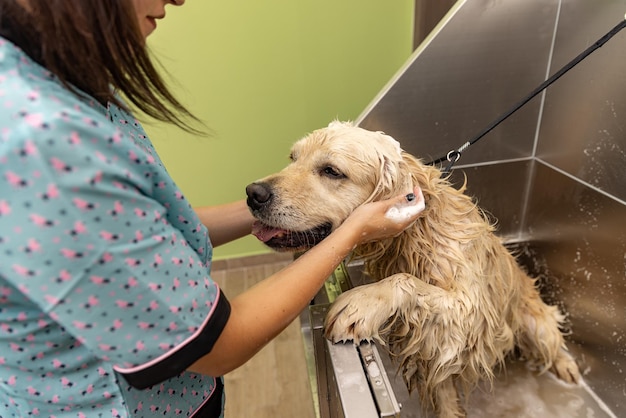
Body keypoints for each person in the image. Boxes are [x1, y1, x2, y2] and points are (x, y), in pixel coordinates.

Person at [0, 0, 423, 417]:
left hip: (182, 396)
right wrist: (351, 232)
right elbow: (218, 344)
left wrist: (269, 207)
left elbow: (141, 233)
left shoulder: (68, 80)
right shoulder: (41, 138)